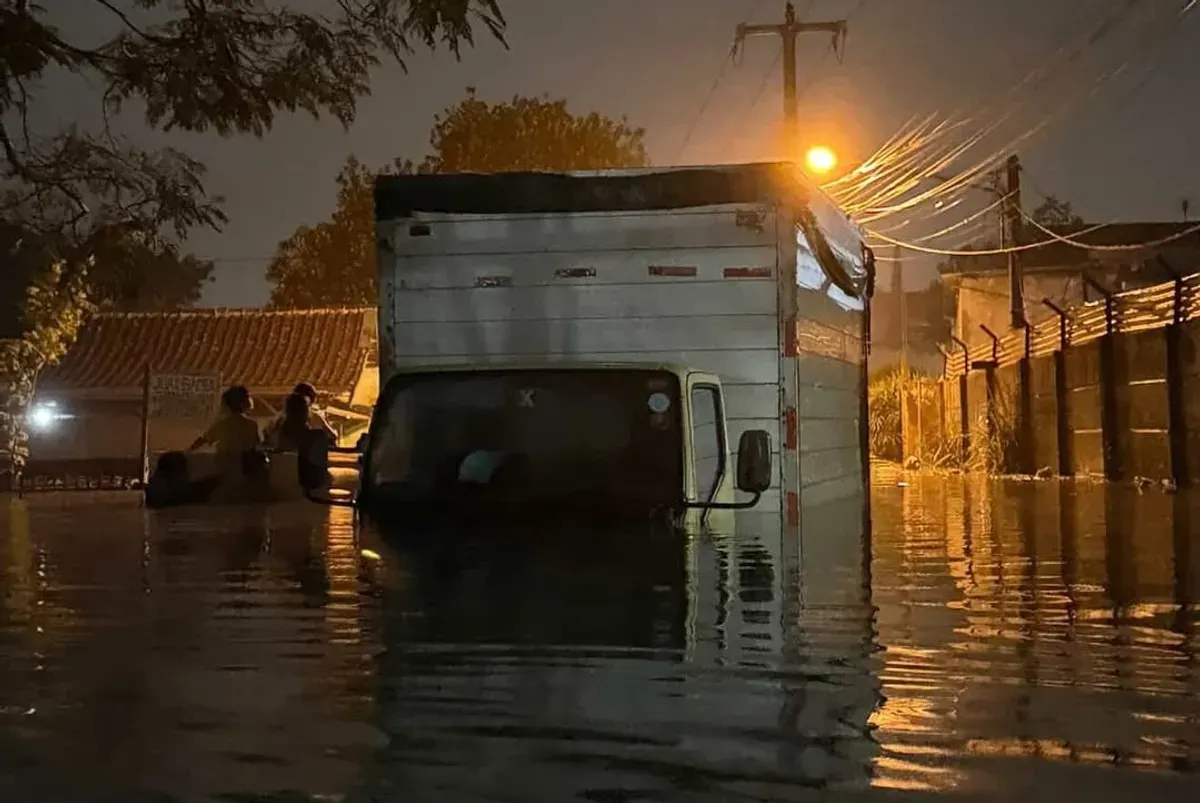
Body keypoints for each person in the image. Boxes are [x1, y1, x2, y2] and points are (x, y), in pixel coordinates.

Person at [189, 385, 262, 471]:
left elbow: (204, 440)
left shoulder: (222, 424)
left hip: (225, 470)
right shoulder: (252, 424)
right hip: (246, 470)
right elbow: (257, 446)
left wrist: (187, 452)